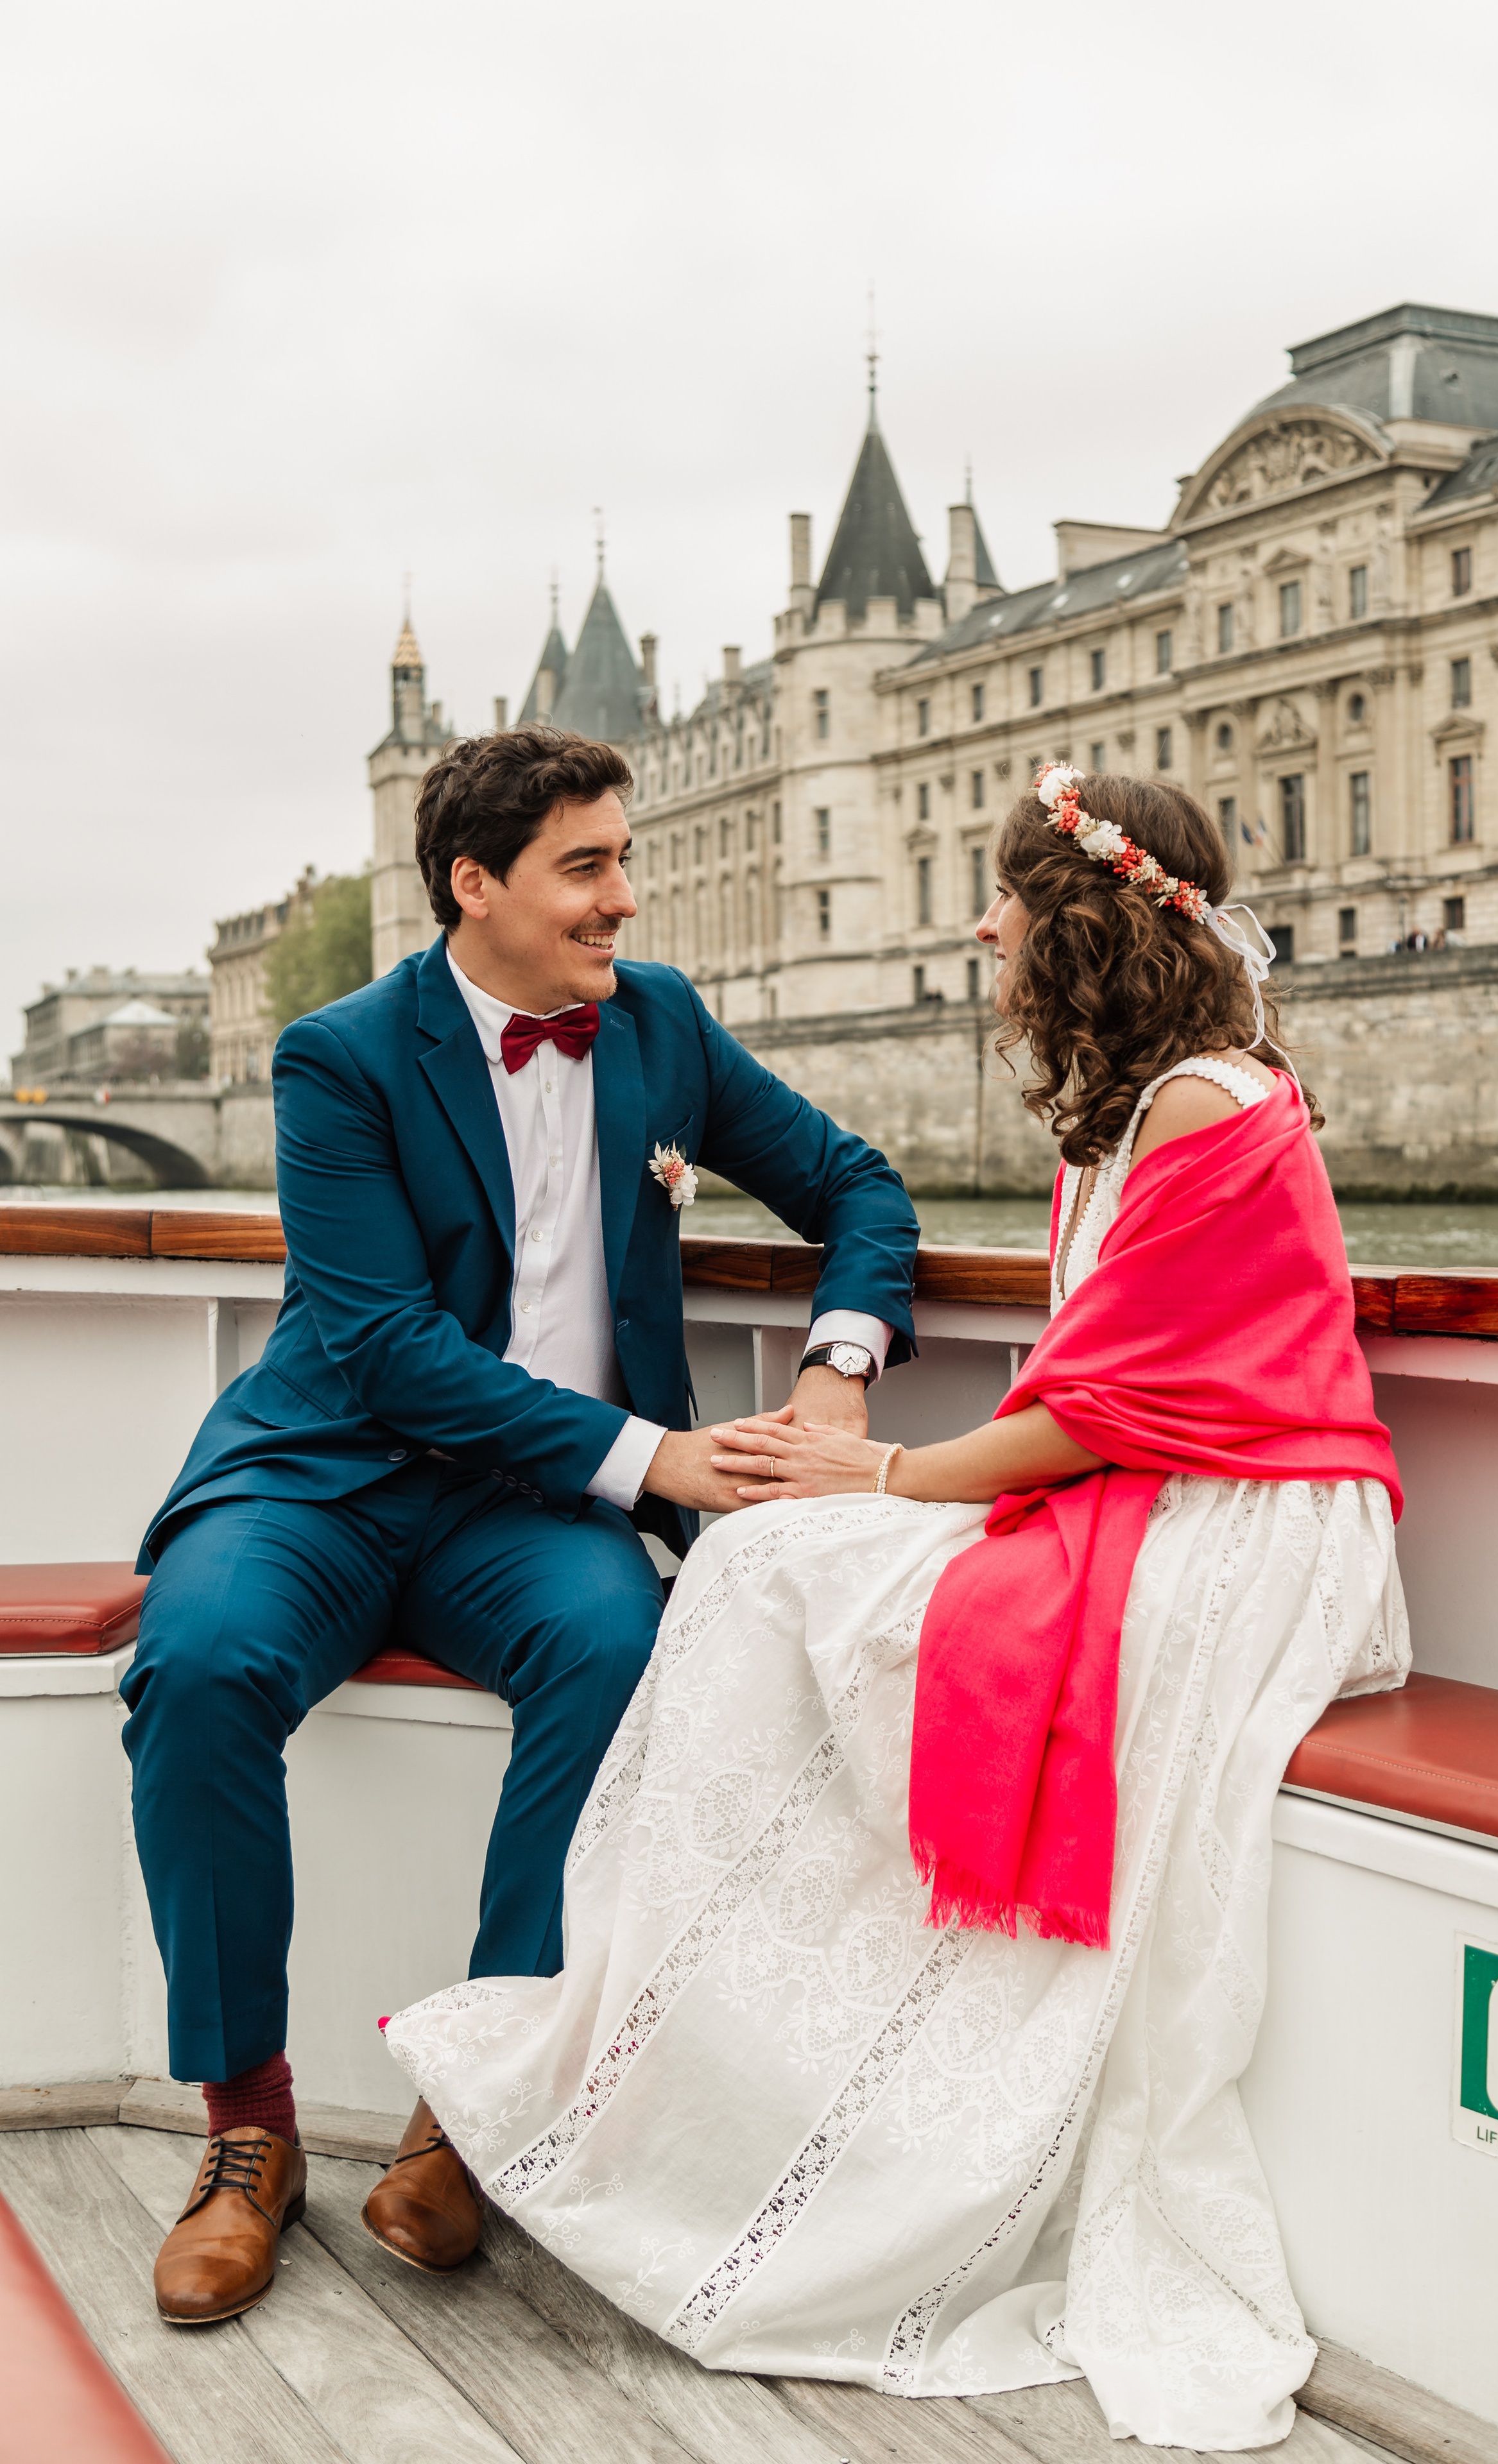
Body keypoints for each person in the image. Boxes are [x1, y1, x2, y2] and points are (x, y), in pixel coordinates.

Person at [386, 767, 1409, 2452]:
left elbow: (1106, 1413)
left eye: (1007, 899)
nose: (984, 925)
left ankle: (701, 2085)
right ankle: (672, 2071)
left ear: (1074, 924)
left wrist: (872, 1472)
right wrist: (862, 1466)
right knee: (774, 1565)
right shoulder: (1159, 1103)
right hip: (1176, 1491)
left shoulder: (1199, 1113)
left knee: (788, 1562)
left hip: (1239, 1525)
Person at [121, 725, 921, 2327]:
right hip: (325, 1475)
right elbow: (385, 1349)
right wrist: (659, 1461)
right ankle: (245, 2128)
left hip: (530, 1506)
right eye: (588, 866)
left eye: (623, 859)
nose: (624, 897)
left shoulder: (663, 1029)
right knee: (197, 1667)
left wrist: (837, 1373)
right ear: (474, 885)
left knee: (615, 1651)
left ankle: (472, 2118)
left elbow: (860, 1190)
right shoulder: (340, 1056)